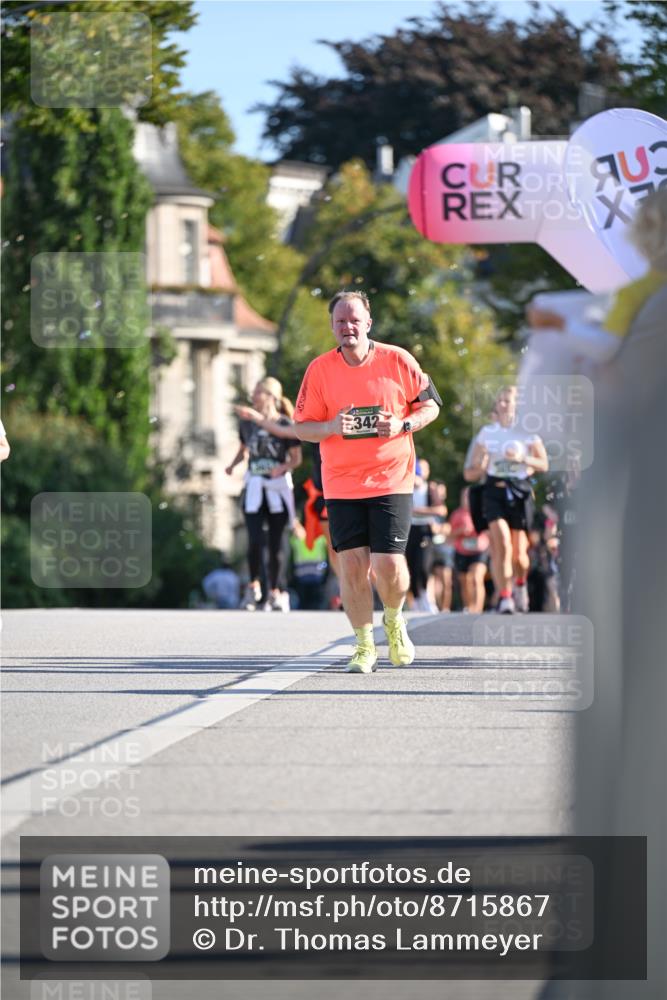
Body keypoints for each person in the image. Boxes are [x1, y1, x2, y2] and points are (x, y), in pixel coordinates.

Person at [291, 289, 442, 672]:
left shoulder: (398, 360)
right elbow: (302, 428)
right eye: (340, 321)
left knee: (389, 564)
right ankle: (363, 644)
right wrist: (330, 426)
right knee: (353, 566)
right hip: (341, 482)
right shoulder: (320, 370)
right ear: (332, 326)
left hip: (391, 478)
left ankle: (393, 619)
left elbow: (431, 406)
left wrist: (402, 424)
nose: (348, 327)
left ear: (368, 323)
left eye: (354, 320)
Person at [464, 385, 549, 614]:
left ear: (517, 405)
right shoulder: (487, 433)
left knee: (519, 555)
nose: (502, 404)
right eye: (499, 400)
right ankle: (505, 597)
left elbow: (544, 464)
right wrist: (481, 464)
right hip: (494, 491)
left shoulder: (528, 432)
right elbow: (471, 472)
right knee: (501, 542)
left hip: (519, 491)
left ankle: (520, 585)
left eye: (507, 400)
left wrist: (523, 459)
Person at [226, 377, 302, 611]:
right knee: (255, 539)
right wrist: (232, 465)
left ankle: (276, 592)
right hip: (254, 487)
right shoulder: (247, 423)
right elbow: (244, 450)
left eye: (258, 391)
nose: (253, 395)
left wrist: (282, 468)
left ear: (271, 396)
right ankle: (253, 586)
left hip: (277, 489)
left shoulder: (285, 424)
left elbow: (296, 459)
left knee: (276, 542)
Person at [406, 459, 446, 613]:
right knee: (411, 567)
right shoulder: (406, 488)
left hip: (425, 530)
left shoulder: (430, 488)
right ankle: (416, 599)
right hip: (409, 530)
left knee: (423, 565)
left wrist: (418, 511)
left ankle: (426, 597)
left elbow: (441, 510)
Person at [448, 487, 490, 613]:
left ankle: (478, 609)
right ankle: (469, 608)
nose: (467, 499)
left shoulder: (482, 512)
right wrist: (461, 531)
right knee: (465, 581)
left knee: (477, 577)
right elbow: (450, 536)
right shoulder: (457, 514)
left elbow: (490, 531)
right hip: (462, 551)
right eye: (464, 496)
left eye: (469, 496)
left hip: (479, 550)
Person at [289, 519, 328, 610]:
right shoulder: (320, 538)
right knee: (314, 604)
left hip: (303, 576)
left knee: (305, 604)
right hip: (316, 576)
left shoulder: (297, 539)